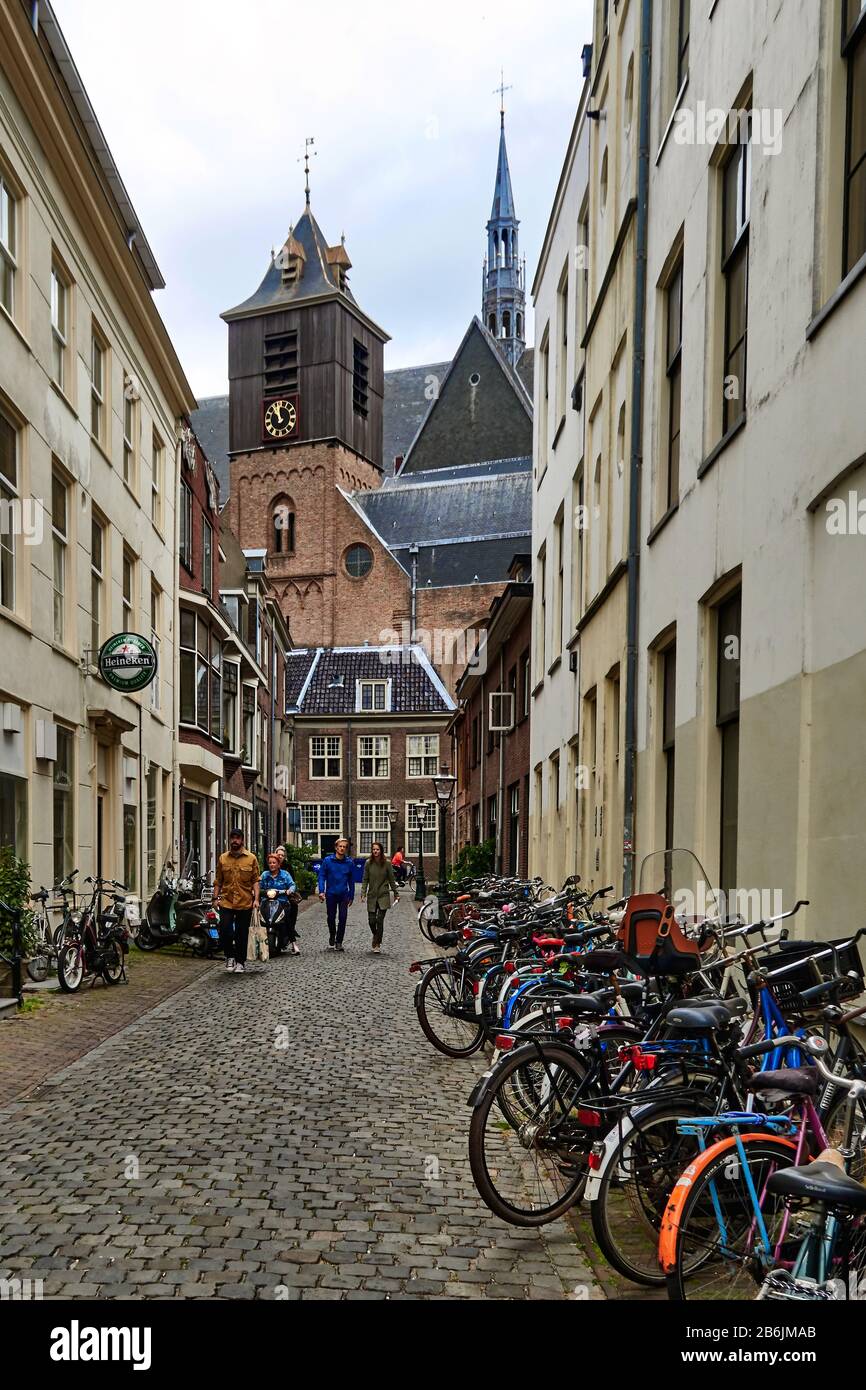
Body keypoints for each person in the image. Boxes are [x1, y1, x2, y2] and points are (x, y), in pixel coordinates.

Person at [213, 826, 260, 974]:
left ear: (242, 840)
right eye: (232, 838)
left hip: (245, 901)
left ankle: (240, 961)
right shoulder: (223, 858)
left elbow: (255, 880)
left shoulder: (251, 858)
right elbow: (218, 881)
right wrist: (215, 898)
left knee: (241, 933)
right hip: (227, 901)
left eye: (237, 838)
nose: (234, 841)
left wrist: (256, 899)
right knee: (225, 930)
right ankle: (229, 956)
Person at [317, 838, 355, 951]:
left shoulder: (349, 863)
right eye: (340, 846)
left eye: (344, 847)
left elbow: (351, 880)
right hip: (331, 894)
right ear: (336, 847)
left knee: (343, 918)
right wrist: (321, 890)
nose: (342, 848)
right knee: (331, 917)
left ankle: (339, 941)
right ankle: (332, 935)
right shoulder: (328, 861)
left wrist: (351, 895)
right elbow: (321, 876)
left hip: (344, 894)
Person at [361, 841, 399, 953]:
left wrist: (396, 894)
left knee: (379, 920)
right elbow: (365, 879)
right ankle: (376, 935)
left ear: (381, 850)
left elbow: (392, 880)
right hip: (372, 895)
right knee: (371, 921)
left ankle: (377, 943)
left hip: (383, 895)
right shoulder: (368, 863)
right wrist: (363, 893)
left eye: (377, 849)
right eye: (373, 849)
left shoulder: (387, 863)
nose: (375, 851)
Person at [260, 851, 300, 955]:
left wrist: (289, 890)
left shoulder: (285, 874)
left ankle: (293, 944)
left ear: (278, 864)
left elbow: (292, 884)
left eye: (274, 863)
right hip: (267, 902)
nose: (272, 865)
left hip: (281, 902)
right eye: (270, 863)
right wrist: (259, 891)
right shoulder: (265, 875)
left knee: (287, 920)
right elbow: (259, 886)